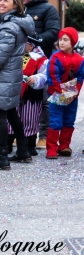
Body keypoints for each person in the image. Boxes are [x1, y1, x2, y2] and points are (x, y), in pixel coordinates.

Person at [0, 0, 36, 170]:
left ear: (15, 4)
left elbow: (0, 56)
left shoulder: (8, 27)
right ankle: (23, 151)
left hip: (2, 77)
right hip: (11, 77)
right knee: (12, 113)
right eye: (1, 0)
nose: (1, 2)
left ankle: (1, 158)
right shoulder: (15, 23)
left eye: (6, 0)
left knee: (0, 116)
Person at [17, 0, 61, 150]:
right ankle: (23, 133)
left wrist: (35, 41)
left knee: (43, 100)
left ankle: (43, 135)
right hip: (20, 61)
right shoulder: (17, 9)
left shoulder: (48, 9)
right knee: (23, 99)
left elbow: (53, 32)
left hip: (43, 62)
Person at [45, 27, 84, 159]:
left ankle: (64, 146)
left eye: (65, 40)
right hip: (57, 93)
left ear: (73, 42)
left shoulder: (79, 59)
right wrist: (61, 90)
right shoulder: (55, 57)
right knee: (56, 120)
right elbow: (52, 75)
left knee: (69, 120)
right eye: (60, 39)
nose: (61, 42)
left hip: (71, 93)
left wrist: (75, 91)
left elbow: (80, 76)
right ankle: (51, 148)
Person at [6, 41, 47, 157]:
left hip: (31, 95)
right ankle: (8, 143)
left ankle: (30, 145)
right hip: (14, 93)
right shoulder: (13, 55)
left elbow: (45, 74)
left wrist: (35, 78)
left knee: (30, 118)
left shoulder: (40, 58)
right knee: (11, 119)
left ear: (31, 45)